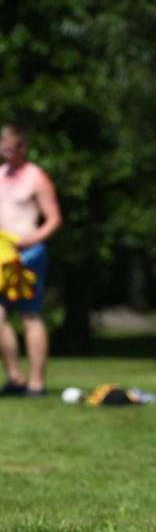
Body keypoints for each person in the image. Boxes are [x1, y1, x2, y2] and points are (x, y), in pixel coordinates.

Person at [0, 124, 62, 396]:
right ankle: (15, 378)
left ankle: (36, 383)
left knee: (29, 316)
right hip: (3, 255)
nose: (6, 151)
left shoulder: (36, 176)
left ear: (23, 147)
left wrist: (31, 240)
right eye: (3, 146)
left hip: (30, 253)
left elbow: (54, 219)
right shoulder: (0, 174)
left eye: (11, 147)